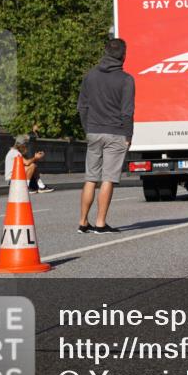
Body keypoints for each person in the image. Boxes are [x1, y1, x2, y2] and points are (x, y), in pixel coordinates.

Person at [76, 38, 135, 234]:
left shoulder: (90, 76)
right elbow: (127, 112)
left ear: (105, 52)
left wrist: (88, 128)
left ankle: (83, 222)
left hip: (93, 131)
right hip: (116, 133)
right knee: (108, 178)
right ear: (123, 56)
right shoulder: (126, 80)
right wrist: (129, 134)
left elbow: (82, 106)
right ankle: (100, 223)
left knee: (90, 178)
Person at [24, 123, 54, 193]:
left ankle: (41, 186)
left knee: (34, 165)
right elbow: (27, 162)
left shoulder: (37, 134)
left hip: (26, 171)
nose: (38, 127)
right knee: (33, 165)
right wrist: (35, 157)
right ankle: (26, 187)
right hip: (17, 178)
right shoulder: (20, 149)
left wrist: (36, 156)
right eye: (37, 126)